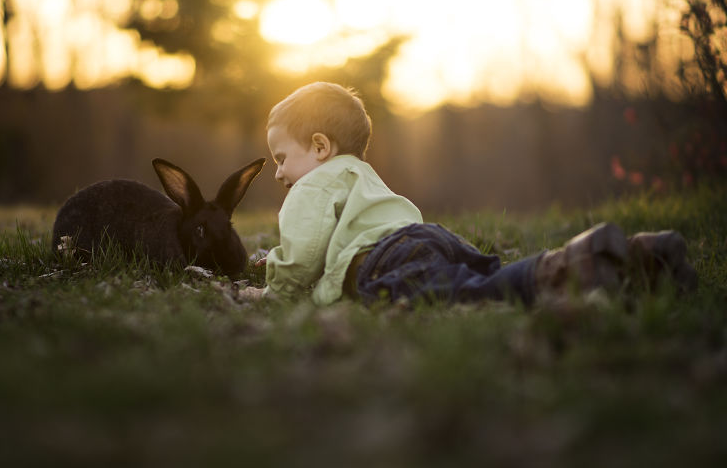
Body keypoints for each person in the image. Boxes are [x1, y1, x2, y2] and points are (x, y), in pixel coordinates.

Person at [240, 82, 697, 306]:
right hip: (425, 235)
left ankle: (570, 267)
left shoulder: (311, 185)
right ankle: (636, 261)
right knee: (488, 273)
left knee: (462, 294)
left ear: (320, 146)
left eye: (281, 158)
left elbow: (302, 258)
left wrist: (272, 293)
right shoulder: (358, 173)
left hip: (381, 259)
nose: (278, 174)